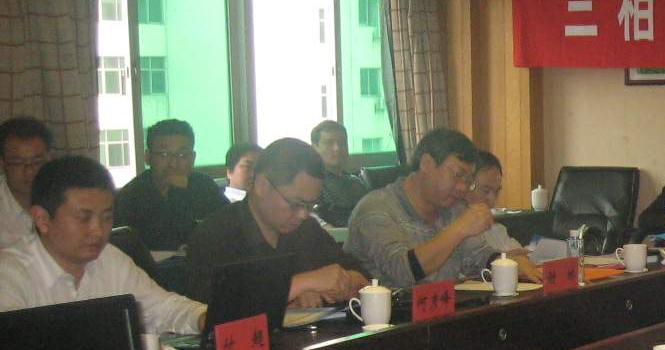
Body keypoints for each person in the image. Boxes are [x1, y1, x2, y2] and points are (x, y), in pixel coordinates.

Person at [0, 155, 204, 332]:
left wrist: (205, 318)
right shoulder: (10, 274)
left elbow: (162, 308)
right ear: (42, 219)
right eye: (83, 218)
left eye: (106, 217)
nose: (98, 230)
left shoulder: (110, 259)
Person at [346, 128, 540, 287]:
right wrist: (458, 230)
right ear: (426, 164)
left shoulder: (452, 207)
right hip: (390, 319)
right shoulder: (376, 209)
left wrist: (508, 262)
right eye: (458, 175)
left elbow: (478, 256)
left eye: (469, 180)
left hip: (445, 314)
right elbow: (403, 271)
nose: (463, 187)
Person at [184, 138, 368, 306]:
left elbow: (364, 280)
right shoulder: (214, 235)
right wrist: (302, 284)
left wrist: (340, 282)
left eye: (310, 205)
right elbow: (218, 310)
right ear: (262, 185)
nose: (303, 214)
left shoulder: (307, 229)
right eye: (295, 204)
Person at [114, 118, 227, 250]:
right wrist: (178, 193)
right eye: (164, 154)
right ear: (148, 157)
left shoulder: (205, 186)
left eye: (182, 155)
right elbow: (169, 239)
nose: (173, 164)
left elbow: (229, 225)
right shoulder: (131, 196)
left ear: (193, 158)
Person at [0, 116, 51, 249]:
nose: (29, 171)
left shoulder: (67, 196)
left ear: (49, 158)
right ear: (2, 163)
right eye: (18, 163)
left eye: (37, 162)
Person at [310, 120, 369, 228]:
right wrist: (325, 227)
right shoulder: (312, 183)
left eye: (342, 143)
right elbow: (306, 213)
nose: (337, 148)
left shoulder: (357, 182)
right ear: (314, 148)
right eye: (329, 143)